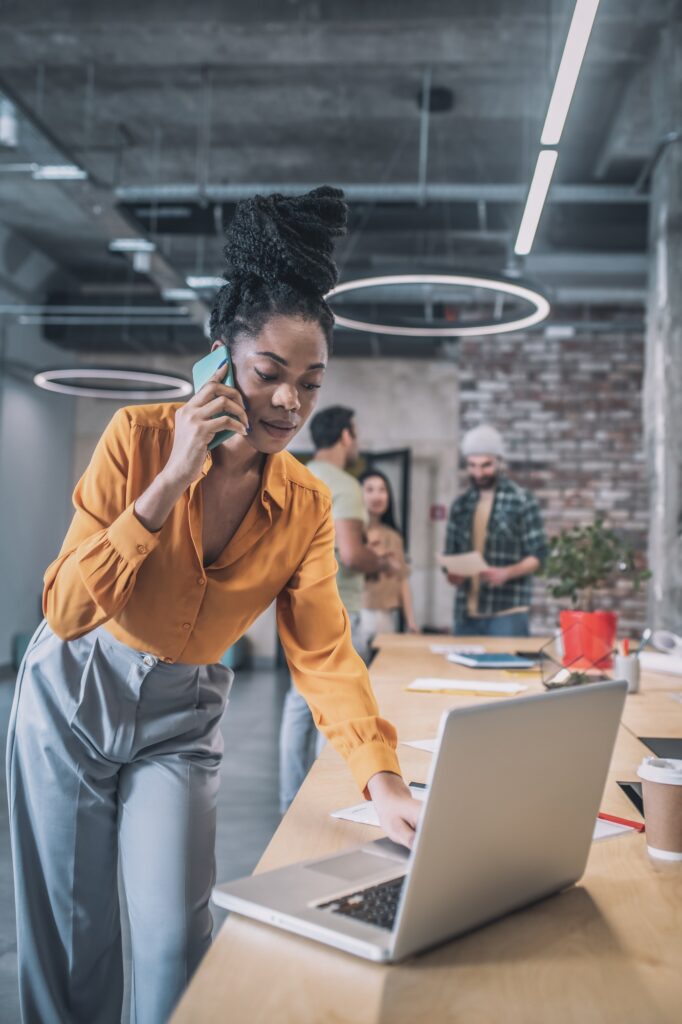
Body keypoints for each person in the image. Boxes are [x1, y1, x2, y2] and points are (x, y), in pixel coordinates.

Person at [6, 187, 419, 1024]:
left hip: (182, 718)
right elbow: (69, 606)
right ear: (221, 360)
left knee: (171, 942)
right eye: (270, 374)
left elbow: (325, 654)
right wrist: (170, 483)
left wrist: (381, 779)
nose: (289, 405)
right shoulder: (138, 440)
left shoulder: (304, 502)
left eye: (309, 384)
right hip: (73, 693)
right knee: (75, 947)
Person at [278, 406, 400, 813]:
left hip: (293, 604)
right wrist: (380, 562)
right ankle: (322, 797)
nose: (358, 442)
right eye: (356, 434)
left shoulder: (295, 474)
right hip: (338, 607)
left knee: (299, 704)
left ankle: (291, 798)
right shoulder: (345, 485)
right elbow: (350, 555)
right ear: (346, 436)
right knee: (339, 705)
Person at [444, 423, 547, 637]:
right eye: (472, 465)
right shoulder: (460, 505)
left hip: (507, 612)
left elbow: (539, 554)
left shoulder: (521, 500)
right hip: (466, 613)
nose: (478, 472)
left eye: (486, 465)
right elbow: (450, 555)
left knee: (506, 670)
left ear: (500, 462)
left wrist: (507, 573)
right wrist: (452, 574)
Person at [359, 469, 419, 646]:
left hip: (386, 616)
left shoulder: (394, 537)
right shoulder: (352, 534)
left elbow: (402, 580)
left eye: (382, 489)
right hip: (357, 614)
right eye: (369, 490)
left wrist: (411, 622)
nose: (377, 496)